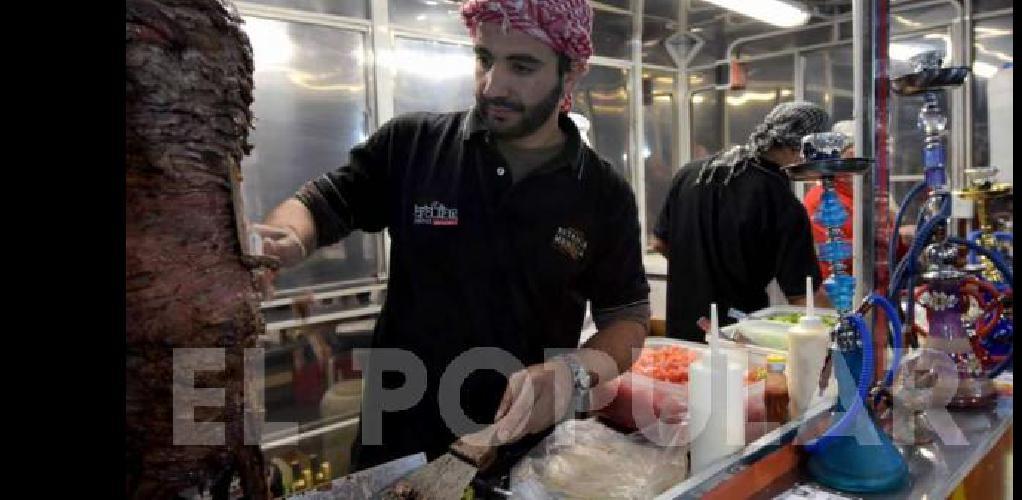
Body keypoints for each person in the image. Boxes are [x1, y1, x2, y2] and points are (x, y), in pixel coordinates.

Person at [253, 0, 650, 472]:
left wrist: (574, 373)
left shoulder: (602, 194)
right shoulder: (413, 146)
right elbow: (321, 204)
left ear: (571, 74)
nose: (492, 85)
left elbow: (627, 318)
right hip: (397, 447)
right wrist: (286, 238)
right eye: (484, 58)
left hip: (520, 456)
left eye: (521, 66)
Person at [651, 102, 830, 342]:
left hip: (682, 329)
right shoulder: (780, 201)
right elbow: (804, 298)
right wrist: (838, 326)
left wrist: (699, 271)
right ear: (799, 147)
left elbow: (660, 243)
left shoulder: (690, 173)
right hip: (738, 335)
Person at [802, 120, 912, 278]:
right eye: (849, 156)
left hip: (879, 284)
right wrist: (889, 237)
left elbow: (895, 253)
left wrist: (904, 239)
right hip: (842, 292)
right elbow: (834, 252)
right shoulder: (821, 198)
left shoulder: (877, 197)